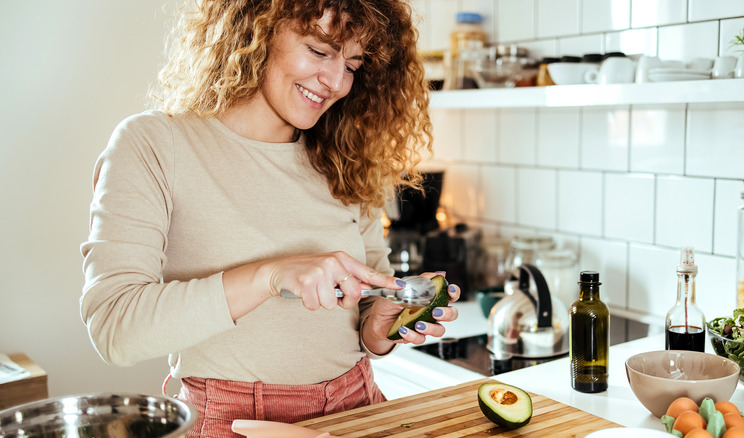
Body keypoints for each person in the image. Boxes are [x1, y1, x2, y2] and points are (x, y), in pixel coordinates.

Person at [79, 0, 460, 436]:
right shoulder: (154, 144)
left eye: (353, 64)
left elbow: (368, 301)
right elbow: (114, 327)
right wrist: (269, 276)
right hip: (234, 421)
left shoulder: (347, 156)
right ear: (256, 30)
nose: (336, 82)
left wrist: (380, 327)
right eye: (319, 51)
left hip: (357, 407)